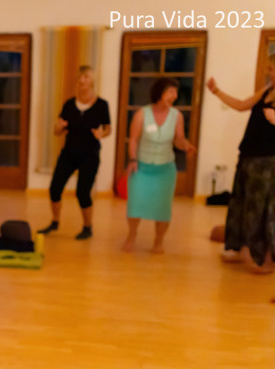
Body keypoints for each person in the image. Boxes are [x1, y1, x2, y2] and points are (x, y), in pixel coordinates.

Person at [206, 55, 275, 274]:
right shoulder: (267, 90)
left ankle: (263, 258)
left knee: (261, 209)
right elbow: (241, 105)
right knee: (241, 203)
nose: (270, 72)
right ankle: (240, 249)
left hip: (268, 159)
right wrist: (216, 91)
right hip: (248, 154)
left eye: (273, 68)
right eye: (270, 68)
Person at [38, 66, 111, 240]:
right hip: (69, 153)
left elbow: (108, 128)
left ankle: (87, 227)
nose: (82, 80)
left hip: (89, 155)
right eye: (80, 77)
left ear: (92, 81)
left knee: (82, 193)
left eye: (86, 77)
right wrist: (58, 127)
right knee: (55, 188)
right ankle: (55, 222)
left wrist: (102, 134)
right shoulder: (69, 105)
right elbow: (57, 131)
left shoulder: (101, 105)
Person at [123, 77, 195, 253]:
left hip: (165, 169)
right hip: (142, 167)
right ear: (160, 92)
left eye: (176, 92)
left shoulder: (176, 116)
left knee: (163, 208)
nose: (174, 96)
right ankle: (132, 235)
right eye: (171, 91)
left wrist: (185, 145)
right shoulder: (142, 114)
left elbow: (178, 139)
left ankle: (158, 241)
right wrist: (132, 159)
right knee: (135, 203)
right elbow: (133, 139)